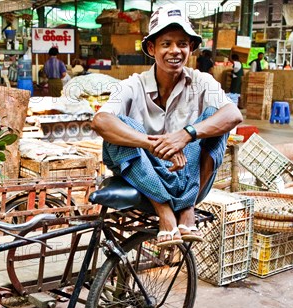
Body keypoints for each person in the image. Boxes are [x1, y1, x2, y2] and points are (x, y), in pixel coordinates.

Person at [91, 4, 242, 246]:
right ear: (152, 48)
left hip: (187, 179)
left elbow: (233, 114)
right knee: (121, 126)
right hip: (143, 180)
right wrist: (150, 144)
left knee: (217, 116)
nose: (175, 51)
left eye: (182, 44)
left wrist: (186, 135)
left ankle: (187, 207)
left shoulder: (202, 81)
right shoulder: (133, 85)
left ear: (190, 48)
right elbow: (100, 121)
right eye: (166, 43)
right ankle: (165, 211)